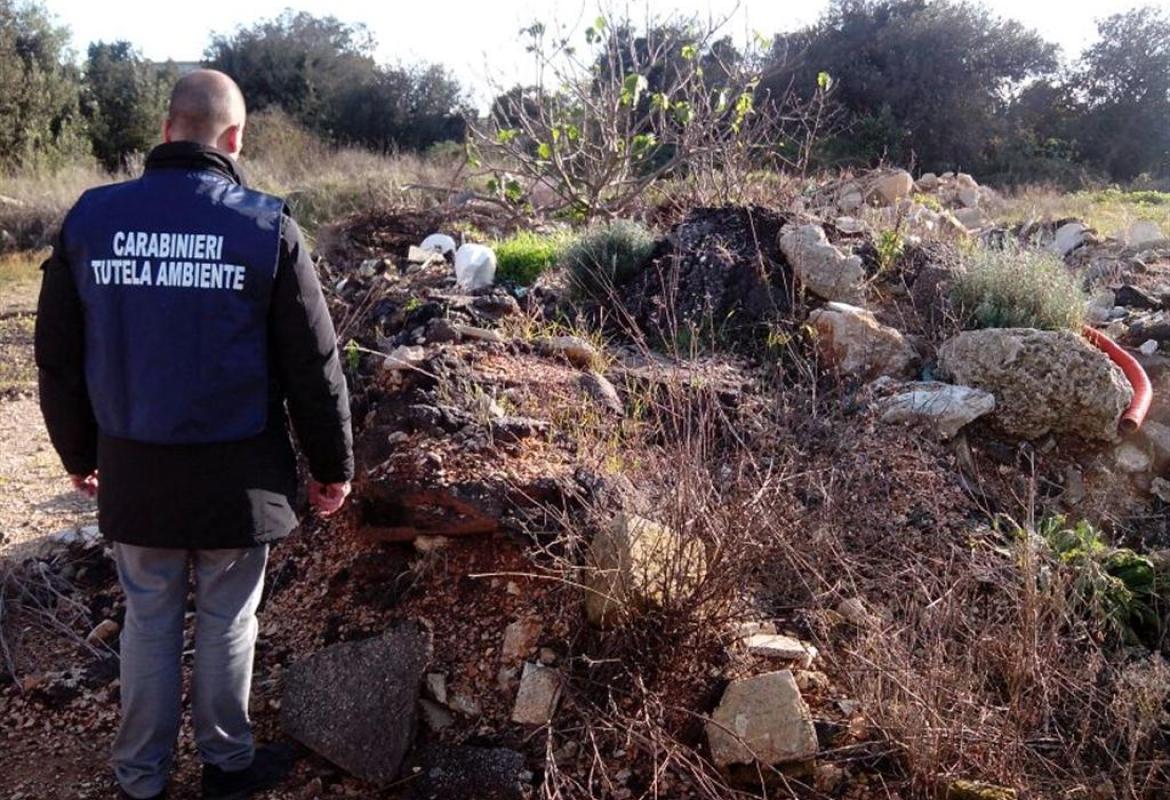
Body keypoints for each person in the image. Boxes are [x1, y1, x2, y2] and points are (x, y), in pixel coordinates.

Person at [34, 69, 355, 800]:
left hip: (135, 465)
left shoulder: (90, 219)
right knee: (228, 616)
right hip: (236, 476)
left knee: (147, 620)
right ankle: (226, 766)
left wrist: (80, 453)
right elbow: (313, 362)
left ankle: (140, 781)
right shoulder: (266, 226)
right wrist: (333, 464)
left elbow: (56, 356)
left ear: (167, 128)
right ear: (234, 138)